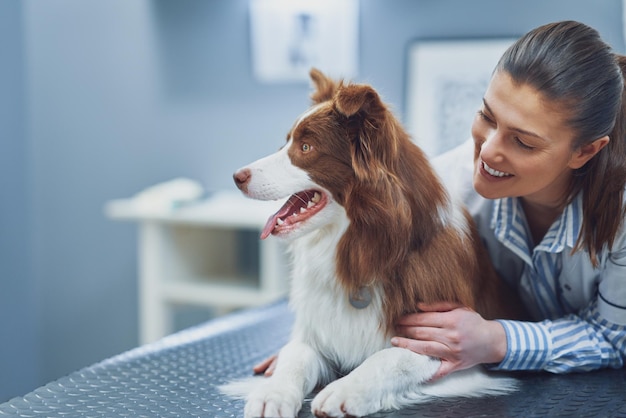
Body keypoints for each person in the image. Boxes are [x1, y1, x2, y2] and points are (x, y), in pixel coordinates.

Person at [254, 20, 626, 381]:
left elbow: (614, 338)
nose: (488, 151)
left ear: (584, 151)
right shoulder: (442, 187)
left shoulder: (621, 219)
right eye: (487, 116)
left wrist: (497, 340)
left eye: (523, 142)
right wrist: (317, 344)